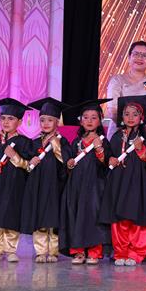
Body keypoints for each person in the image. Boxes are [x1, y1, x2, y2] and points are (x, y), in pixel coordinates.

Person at [99, 96, 146, 267]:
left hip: (139, 182)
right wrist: (110, 159)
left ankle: (136, 253)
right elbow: (110, 155)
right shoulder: (116, 136)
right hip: (119, 181)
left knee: (137, 217)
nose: (130, 118)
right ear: (121, 117)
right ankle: (120, 252)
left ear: (141, 117)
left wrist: (141, 149)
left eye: (135, 114)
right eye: (127, 114)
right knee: (119, 218)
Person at [59, 99, 112, 265]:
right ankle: (78, 251)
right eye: (86, 117)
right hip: (76, 185)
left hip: (95, 185)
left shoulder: (103, 140)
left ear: (100, 120)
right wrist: (69, 163)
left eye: (94, 117)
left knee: (93, 216)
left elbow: (105, 163)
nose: (89, 121)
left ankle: (94, 252)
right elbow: (69, 162)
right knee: (76, 214)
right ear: (80, 121)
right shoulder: (76, 142)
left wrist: (99, 148)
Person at [20, 98, 70, 264]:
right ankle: (41, 251)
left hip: (56, 185)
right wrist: (31, 161)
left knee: (54, 219)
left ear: (57, 122)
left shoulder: (62, 141)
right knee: (40, 218)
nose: (46, 123)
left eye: (50, 120)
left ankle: (53, 252)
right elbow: (27, 166)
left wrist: (56, 147)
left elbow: (67, 163)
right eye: (42, 120)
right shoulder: (34, 143)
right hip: (38, 186)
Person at [0, 98, 33, 263]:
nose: (6, 122)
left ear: (19, 122)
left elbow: (29, 166)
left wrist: (15, 157)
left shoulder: (24, 142)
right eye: (3, 118)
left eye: (11, 118)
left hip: (14, 184)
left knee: (11, 214)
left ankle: (10, 250)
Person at [105, 41, 146, 137]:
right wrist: (131, 131)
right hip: (120, 135)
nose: (140, 58)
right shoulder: (117, 80)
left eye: (145, 55)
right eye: (136, 54)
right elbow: (113, 111)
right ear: (129, 58)